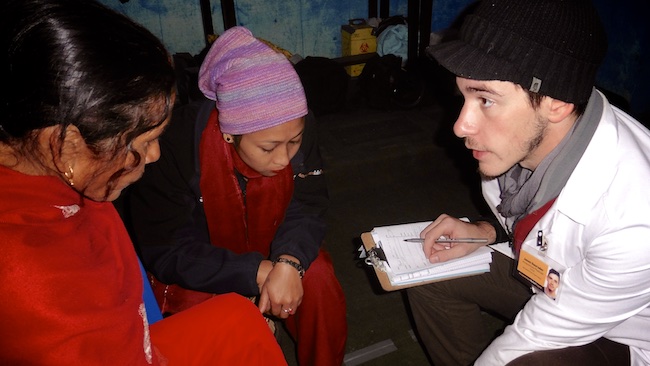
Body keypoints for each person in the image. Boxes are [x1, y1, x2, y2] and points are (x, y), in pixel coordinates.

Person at [0, 1, 287, 365]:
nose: (154, 156)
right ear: (68, 144)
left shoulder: (57, 167)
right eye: (144, 143)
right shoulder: (32, 281)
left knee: (238, 318)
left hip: (135, 336)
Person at [406, 0, 650, 365]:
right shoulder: (518, 146)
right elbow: (540, 229)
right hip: (547, 277)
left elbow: (540, 332)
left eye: (485, 99)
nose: (460, 126)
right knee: (424, 270)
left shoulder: (634, 219)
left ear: (557, 103)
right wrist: (486, 232)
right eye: (464, 96)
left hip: (622, 334)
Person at [117, 26, 347, 366]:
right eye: (268, 148)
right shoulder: (173, 146)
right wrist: (257, 272)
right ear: (230, 136)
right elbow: (166, 249)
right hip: (202, 259)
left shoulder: (298, 123)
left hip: (274, 242)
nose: (284, 159)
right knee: (213, 334)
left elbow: (308, 202)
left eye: (294, 143)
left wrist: (289, 262)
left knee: (320, 279)